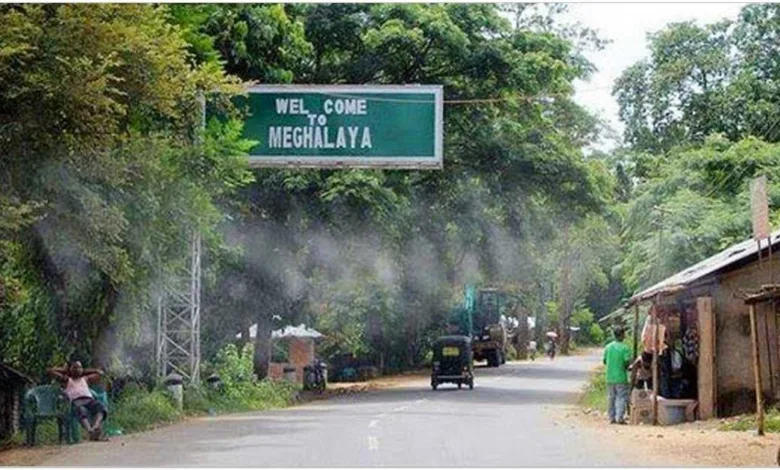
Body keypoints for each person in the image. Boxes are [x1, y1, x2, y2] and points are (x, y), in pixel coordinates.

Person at [48, 360, 108, 441]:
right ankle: (90, 431)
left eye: (79, 367)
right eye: (75, 368)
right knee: (81, 410)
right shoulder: (66, 380)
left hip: (89, 400)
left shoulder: (85, 379)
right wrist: (65, 370)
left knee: (101, 407)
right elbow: (51, 371)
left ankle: (95, 427)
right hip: (76, 401)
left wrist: (84, 371)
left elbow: (100, 373)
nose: (78, 369)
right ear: (70, 369)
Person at [603, 327, 632, 424]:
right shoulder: (625, 348)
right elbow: (626, 361)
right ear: (622, 335)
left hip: (609, 377)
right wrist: (626, 367)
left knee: (611, 397)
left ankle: (611, 417)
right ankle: (620, 417)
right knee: (621, 397)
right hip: (621, 377)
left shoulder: (608, 347)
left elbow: (604, 361)